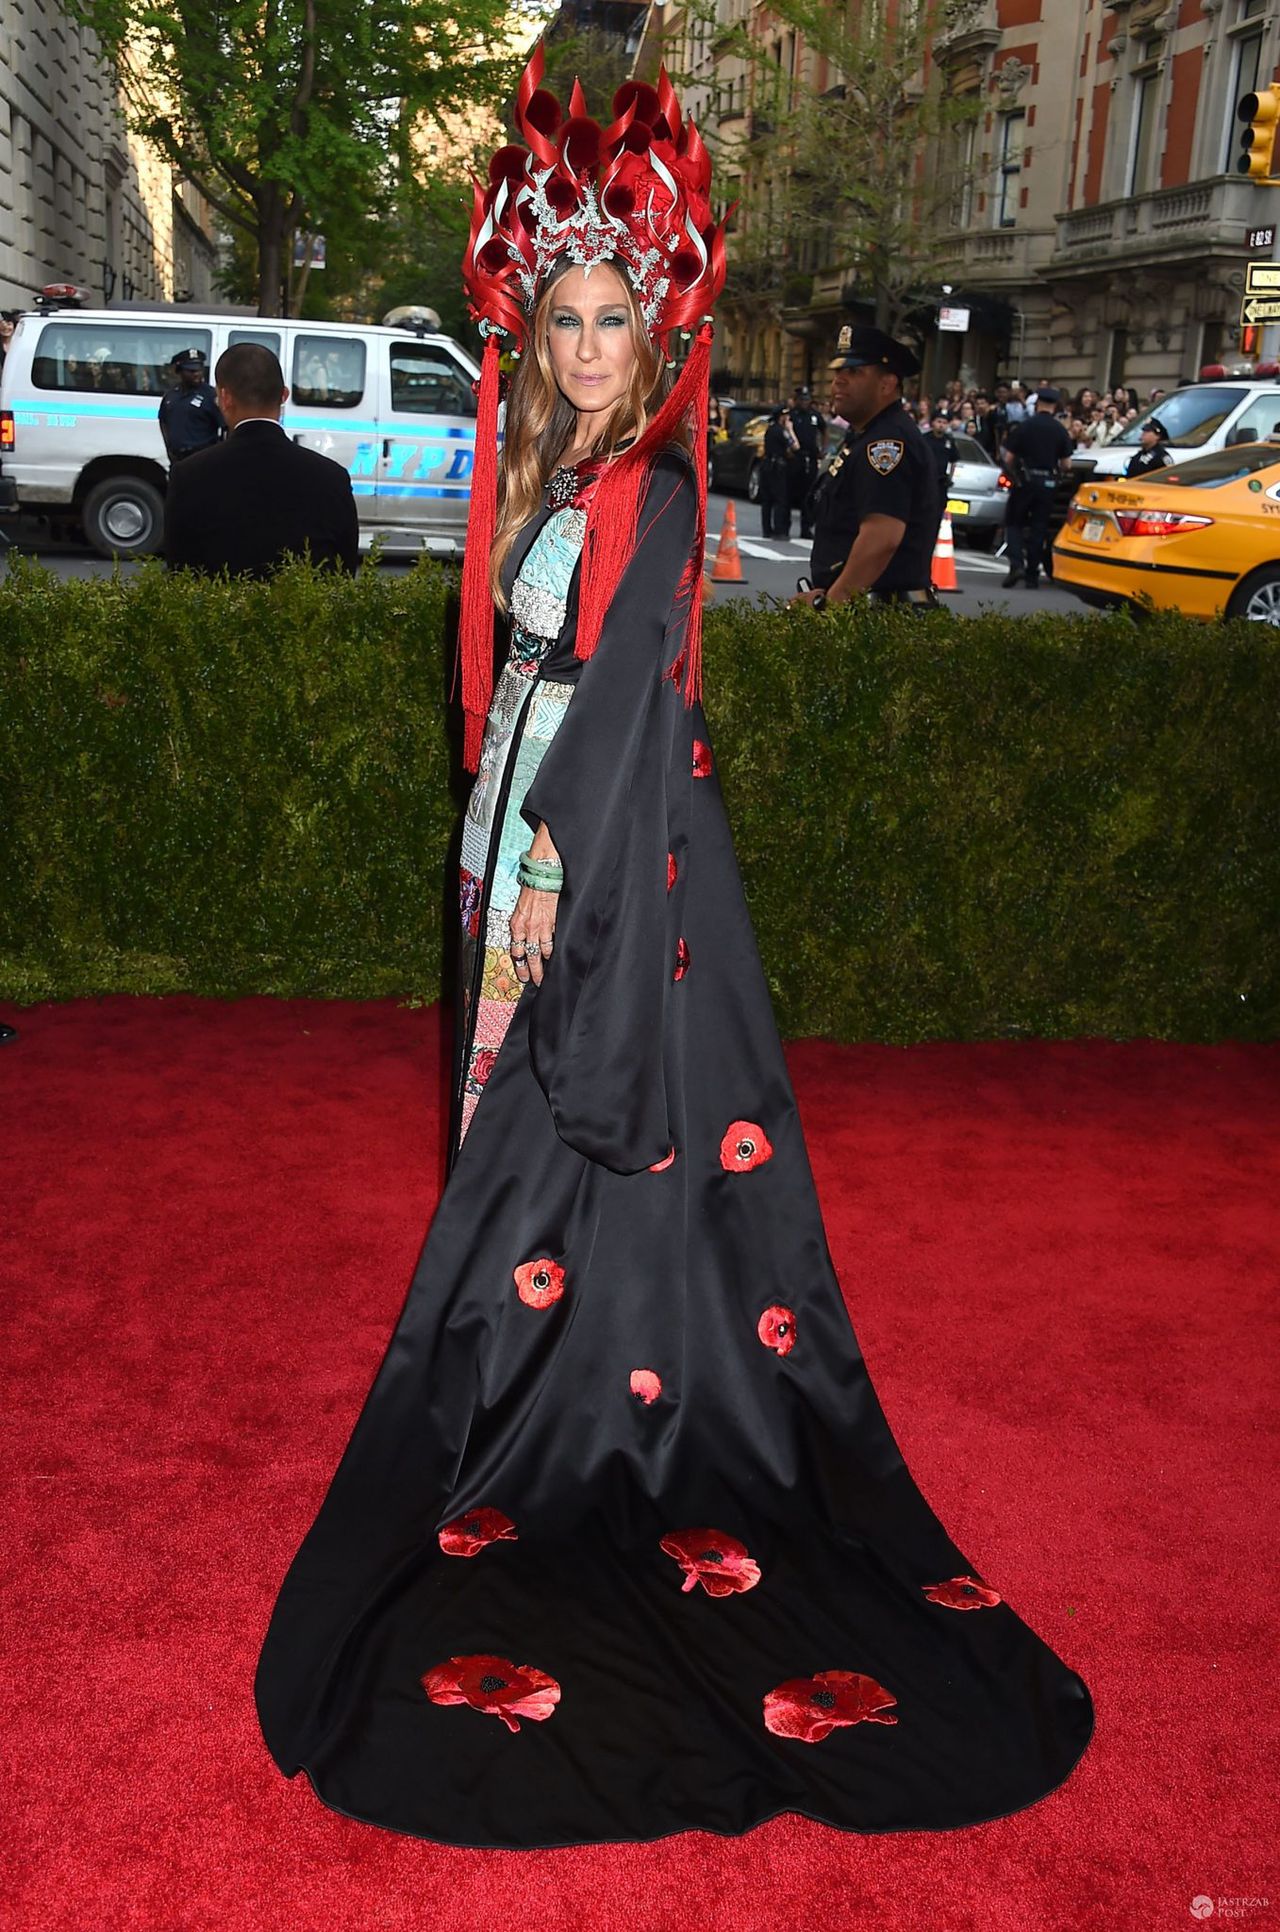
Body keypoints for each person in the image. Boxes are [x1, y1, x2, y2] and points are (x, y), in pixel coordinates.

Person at [253, 47, 1093, 1851]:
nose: (580, 346)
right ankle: (511, 1389)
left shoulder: (660, 489)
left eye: (607, 322)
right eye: (558, 319)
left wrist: (550, 873)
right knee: (501, 1155)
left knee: (556, 1155)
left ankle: (558, 1411)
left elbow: (630, 695)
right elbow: (513, 675)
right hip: (517, 835)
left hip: (590, 855)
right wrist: (493, 845)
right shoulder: (560, 467)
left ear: (654, 340)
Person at [163, 343, 359, 577]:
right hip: (306, 611)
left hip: (220, 611)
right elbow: (344, 569)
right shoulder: (332, 477)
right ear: (284, 395)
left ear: (224, 398)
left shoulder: (188, 476)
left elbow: (179, 569)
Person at [792, 323, 942, 611]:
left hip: (879, 616)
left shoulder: (887, 443)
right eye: (837, 372)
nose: (839, 381)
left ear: (887, 384)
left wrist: (830, 608)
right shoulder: (865, 436)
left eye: (854, 372)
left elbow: (881, 538)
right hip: (867, 612)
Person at [1001, 387, 1074, 589]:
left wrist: (1015, 474)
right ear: (1054, 406)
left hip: (1025, 481)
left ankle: (1016, 565)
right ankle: (1033, 574)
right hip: (1048, 483)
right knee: (1038, 527)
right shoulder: (1060, 430)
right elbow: (1067, 464)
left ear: (1037, 404)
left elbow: (1008, 457)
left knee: (1014, 523)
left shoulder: (1025, 426)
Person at [157, 348, 225, 464]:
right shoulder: (171, 395)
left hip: (202, 458)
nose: (197, 374)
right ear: (180, 371)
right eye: (191, 371)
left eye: (199, 370)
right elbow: (163, 421)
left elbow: (225, 427)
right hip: (177, 459)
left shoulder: (211, 395)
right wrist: (168, 447)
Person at [789, 382, 826, 538]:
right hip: (795, 457)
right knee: (789, 493)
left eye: (807, 399)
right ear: (797, 400)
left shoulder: (815, 416)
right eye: (802, 399)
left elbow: (824, 431)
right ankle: (782, 527)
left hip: (810, 458)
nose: (805, 402)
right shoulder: (792, 415)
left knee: (809, 495)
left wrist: (823, 449)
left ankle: (806, 528)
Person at [925, 408, 958, 555]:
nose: (941, 425)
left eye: (944, 422)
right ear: (932, 423)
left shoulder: (949, 442)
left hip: (940, 483)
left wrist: (950, 477)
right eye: (939, 421)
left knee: (937, 515)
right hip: (925, 483)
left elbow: (954, 461)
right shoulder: (924, 439)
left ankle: (931, 542)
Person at [759, 405, 794, 537]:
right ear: (782, 417)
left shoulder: (770, 429)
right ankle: (779, 530)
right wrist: (790, 430)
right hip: (777, 468)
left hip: (767, 465)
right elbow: (795, 445)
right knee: (780, 499)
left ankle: (766, 530)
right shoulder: (781, 430)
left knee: (767, 500)